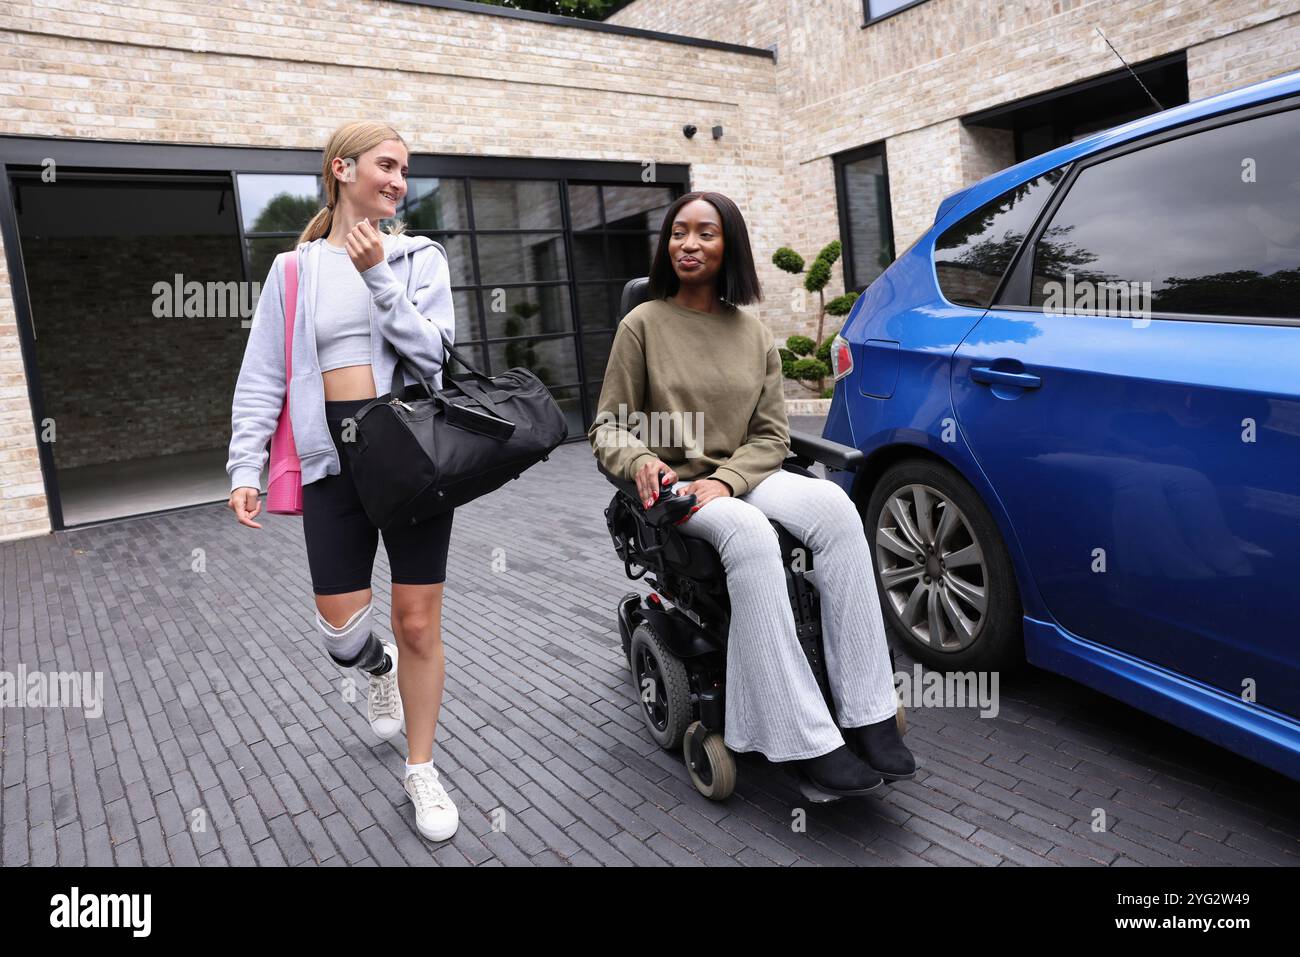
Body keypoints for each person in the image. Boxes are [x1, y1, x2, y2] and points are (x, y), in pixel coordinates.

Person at [588, 191, 916, 797]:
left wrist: (728, 479)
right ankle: (804, 738)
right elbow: (607, 424)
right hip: (680, 487)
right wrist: (639, 459)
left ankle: (869, 711)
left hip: (745, 475)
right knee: (747, 532)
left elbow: (771, 435)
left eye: (705, 233)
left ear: (728, 245)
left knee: (837, 509)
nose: (689, 244)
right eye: (678, 233)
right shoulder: (643, 325)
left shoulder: (753, 333)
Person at [226, 121, 458, 841]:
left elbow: (436, 360)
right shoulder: (293, 270)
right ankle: (374, 664)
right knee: (340, 631)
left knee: (418, 620)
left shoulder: (420, 256)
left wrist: (379, 277)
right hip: (333, 462)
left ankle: (421, 769)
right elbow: (263, 372)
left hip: (412, 459)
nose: (399, 180)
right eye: (387, 165)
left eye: (405, 169)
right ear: (342, 168)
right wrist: (246, 462)